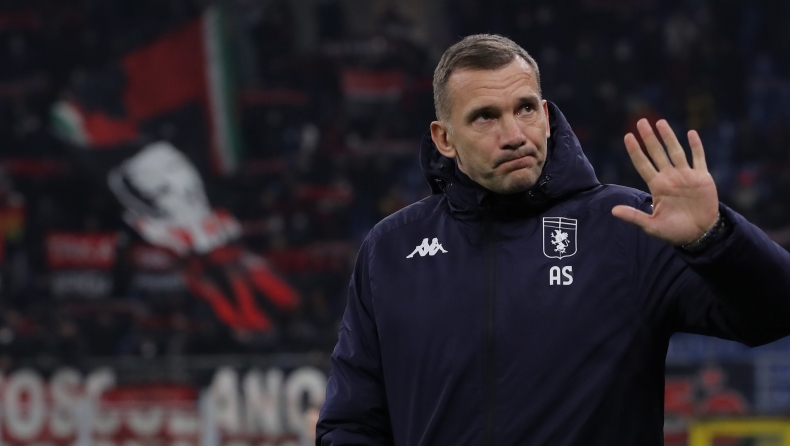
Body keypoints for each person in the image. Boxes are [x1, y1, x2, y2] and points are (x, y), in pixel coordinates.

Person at [316, 34, 790, 445]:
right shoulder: (391, 249)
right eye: (485, 117)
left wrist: (715, 238)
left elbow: (776, 313)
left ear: (545, 114)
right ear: (445, 138)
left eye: (525, 109)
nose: (514, 134)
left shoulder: (630, 226)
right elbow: (352, 421)